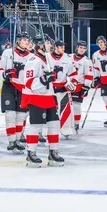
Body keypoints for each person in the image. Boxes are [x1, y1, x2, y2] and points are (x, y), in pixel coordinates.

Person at [21, 35, 64, 167]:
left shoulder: (47, 60)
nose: (50, 45)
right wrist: (46, 79)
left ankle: (53, 152)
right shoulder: (33, 60)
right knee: (36, 126)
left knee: (54, 125)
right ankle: (31, 153)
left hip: (48, 97)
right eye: (47, 43)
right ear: (39, 45)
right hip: (36, 98)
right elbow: (29, 83)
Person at [0, 32, 34, 153]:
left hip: (24, 89)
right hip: (9, 86)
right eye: (24, 39)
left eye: (28, 40)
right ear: (17, 41)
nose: (26, 42)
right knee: (10, 114)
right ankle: (11, 141)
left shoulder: (31, 57)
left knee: (21, 116)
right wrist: (5, 74)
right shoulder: (8, 53)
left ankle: (17, 139)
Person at [48, 40, 77, 139]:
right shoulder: (47, 57)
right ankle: (45, 131)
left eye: (63, 47)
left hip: (63, 89)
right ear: (55, 47)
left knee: (66, 110)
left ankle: (66, 129)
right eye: (61, 47)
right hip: (50, 90)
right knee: (50, 111)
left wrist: (73, 83)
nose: (63, 49)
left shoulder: (67, 58)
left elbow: (73, 74)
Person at [69, 41, 94, 133]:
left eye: (84, 48)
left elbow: (89, 75)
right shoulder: (68, 57)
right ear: (77, 48)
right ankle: (66, 123)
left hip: (79, 86)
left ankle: (76, 124)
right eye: (80, 48)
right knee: (64, 106)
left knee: (76, 106)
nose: (82, 50)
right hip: (67, 85)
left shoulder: (87, 61)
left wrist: (86, 87)